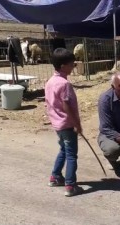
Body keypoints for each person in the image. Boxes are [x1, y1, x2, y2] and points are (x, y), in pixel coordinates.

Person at [45, 48, 83, 197]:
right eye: (71, 64)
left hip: (57, 125)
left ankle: (55, 177)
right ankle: (70, 185)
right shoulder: (64, 84)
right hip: (67, 125)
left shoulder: (50, 82)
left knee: (63, 150)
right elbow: (67, 106)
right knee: (72, 155)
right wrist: (77, 124)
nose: (73, 66)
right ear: (62, 66)